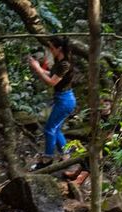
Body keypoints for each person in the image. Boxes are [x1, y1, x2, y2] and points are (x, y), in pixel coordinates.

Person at [27, 36, 76, 170]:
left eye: (51, 48)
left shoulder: (65, 64)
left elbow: (51, 82)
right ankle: (65, 156)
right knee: (56, 128)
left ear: (59, 48)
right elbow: (53, 74)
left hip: (65, 100)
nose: (50, 50)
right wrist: (39, 69)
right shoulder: (59, 62)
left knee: (49, 129)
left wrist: (37, 69)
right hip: (62, 99)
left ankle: (47, 159)